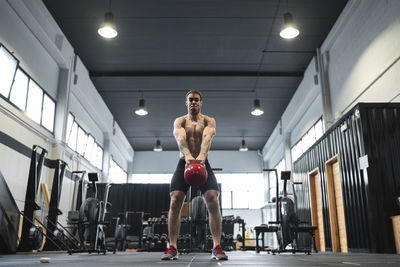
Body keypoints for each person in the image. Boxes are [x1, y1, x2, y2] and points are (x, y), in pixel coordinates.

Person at [161, 90, 228, 261]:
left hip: (203, 161)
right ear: (186, 103)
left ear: (201, 102)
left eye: (196, 100)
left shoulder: (208, 121)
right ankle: (173, 247)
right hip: (185, 162)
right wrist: (188, 156)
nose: (193, 102)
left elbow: (207, 138)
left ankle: (216, 246)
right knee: (175, 200)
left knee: (213, 198)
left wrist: (201, 158)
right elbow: (180, 138)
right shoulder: (180, 121)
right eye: (190, 100)